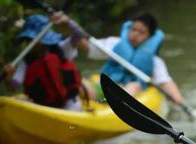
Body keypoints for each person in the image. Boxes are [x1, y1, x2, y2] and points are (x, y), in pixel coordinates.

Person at [57, 12, 187, 105]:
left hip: (133, 91)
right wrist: (67, 27)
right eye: (133, 29)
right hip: (108, 87)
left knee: (134, 85)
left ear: (150, 37)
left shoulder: (154, 61)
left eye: (141, 32)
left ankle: (117, 107)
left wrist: (178, 99)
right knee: (81, 85)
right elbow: (88, 47)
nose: (135, 35)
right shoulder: (115, 44)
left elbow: (164, 81)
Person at [4, 14, 84, 110]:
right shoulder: (26, 60)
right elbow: (14, 86)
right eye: (27, 39)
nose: (29, 43)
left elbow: (79, 35)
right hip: (41, 106)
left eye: (31, 39)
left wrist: (67, 22)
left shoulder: (61, 48)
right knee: (18, 100)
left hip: (69, 103)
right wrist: (9, 78)